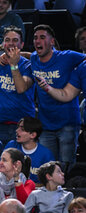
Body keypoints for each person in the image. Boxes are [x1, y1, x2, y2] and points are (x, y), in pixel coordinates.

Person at [28, 24, 86, 170]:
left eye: (42, 37)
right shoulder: (34, 58)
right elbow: (28, 55)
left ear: (52, 41)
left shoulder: (67, 57)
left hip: (67, 122)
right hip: (46, 124)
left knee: (66, 166)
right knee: (48, 167)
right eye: (35, 38)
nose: (38, 41)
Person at [5, 117, 55, 183]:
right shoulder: (12, 146)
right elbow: (1, 171)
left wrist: (28, 186)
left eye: (22, 129)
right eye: (18, 127)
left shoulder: (46, 154)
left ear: (33, 135)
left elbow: (49, 183)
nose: (17, 130)